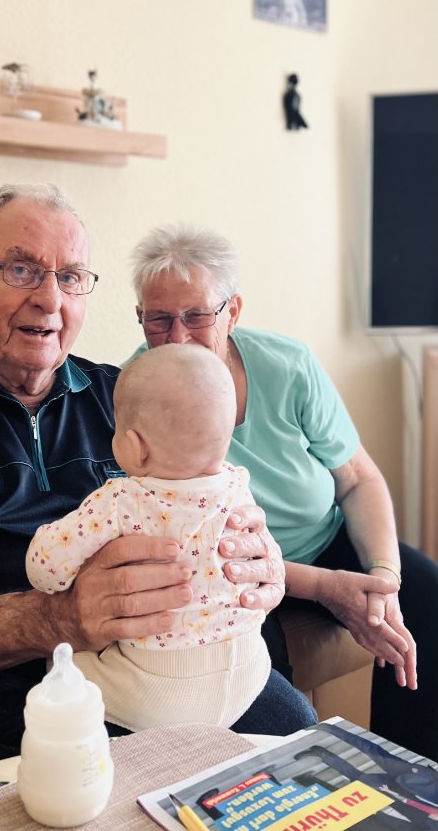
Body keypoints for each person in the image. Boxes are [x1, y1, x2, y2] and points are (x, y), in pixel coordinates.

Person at [0, 184, 289, 796]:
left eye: (70, 277)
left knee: (296, 747)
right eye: (21, 270)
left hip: (141, 670)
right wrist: (58, 619)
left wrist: (260, 563)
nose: (49, 299)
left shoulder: (125, 397)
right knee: (108, 794)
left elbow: (209, 515)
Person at [126, 222, 438, 761]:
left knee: (425, 598)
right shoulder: (135, 390)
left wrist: (384, 576)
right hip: (229, 573)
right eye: (159, 319)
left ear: (232, 311)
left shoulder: (287, 365)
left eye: (197, 315)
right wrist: (326, 588)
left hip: (323, 542)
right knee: (256, 679)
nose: (177, 337)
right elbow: (190, 545)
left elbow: (358, 479)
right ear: (141, 316)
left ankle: (404, 774)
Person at [27, 343, 316, 734]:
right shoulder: (238, 486)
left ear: (135, 447)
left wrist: (46, 546)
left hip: (158, 692)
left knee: (66, 667)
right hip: (248, 671)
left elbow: (45, 568)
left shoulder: (124, 500)